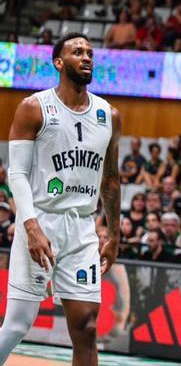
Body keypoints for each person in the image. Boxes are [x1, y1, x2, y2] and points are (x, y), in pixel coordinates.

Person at [0, 33, 121, 364]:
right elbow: (17, 175)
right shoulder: (33, 108)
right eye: (77, 52)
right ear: (59, 62)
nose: (86, 57)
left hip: (82, 228)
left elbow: (110, 178)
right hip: (40, 221)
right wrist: (31, 227)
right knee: (17, 324)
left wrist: (114, 233)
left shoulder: (108, 115)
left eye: (90, 53)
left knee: (87, 327)